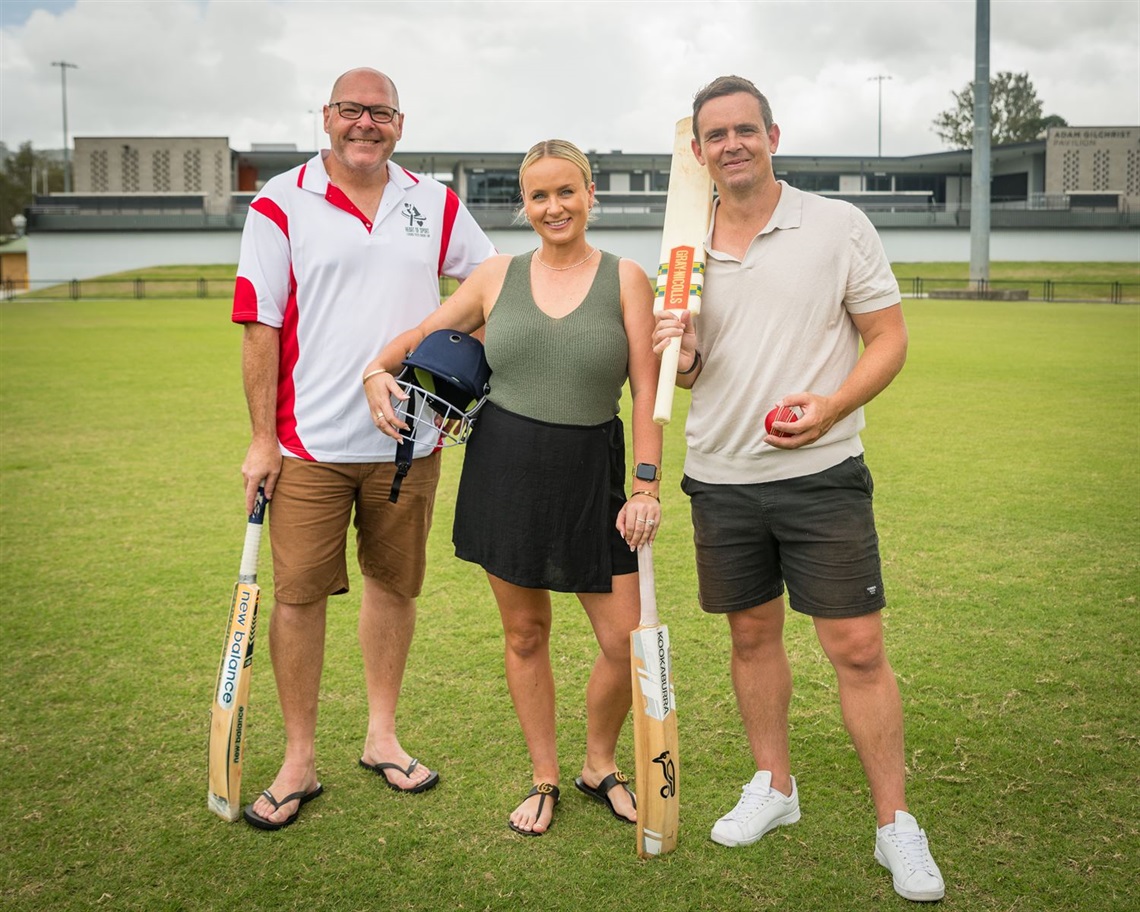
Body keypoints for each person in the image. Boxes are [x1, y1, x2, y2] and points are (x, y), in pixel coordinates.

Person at [652, 75, 945, 902]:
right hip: (721, 477)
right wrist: (681, 352)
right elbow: (692, 369)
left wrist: (831, 405)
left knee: (857, 649)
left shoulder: (836, 224)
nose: (732, 144)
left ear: (773, 135)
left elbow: (887, 338)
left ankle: (895, 824)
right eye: (716, 135)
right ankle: (775, 787)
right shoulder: (684, 243)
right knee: (751, 640)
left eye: (746, 129)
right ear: (701, 150)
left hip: (822, 476)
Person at [363, 139, 662, 837]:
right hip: (506, 472)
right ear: (523, 205)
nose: (553, 207)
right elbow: (426, 333)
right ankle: (545, 777)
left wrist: (646, 486)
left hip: (593, 475)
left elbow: (647, 392)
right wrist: (377, 369)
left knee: (625, 640)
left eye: (566, 191)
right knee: (525, 634)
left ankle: (598, 763)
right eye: (539, 196)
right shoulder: (498, 275)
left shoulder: (626, 279)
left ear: (591, 194)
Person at [231, 67, 495, 830]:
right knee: (300, 596)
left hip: (407, 441)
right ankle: (299, 759)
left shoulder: (433, 201)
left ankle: (381, 737)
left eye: (380, 113)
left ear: (399, 125)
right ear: (327, 117)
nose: (365, 124)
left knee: (394, 587)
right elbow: (260, 325)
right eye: (352, 110)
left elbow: (490, 283)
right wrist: (260, 440)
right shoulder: (280, 201)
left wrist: (445, 356)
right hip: (307, 442)